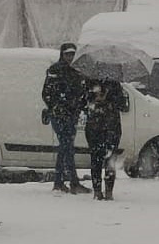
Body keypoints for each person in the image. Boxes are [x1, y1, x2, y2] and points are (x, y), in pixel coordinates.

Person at [42, 43, 91, 194]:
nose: (70, 57)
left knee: (66, 147)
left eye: (72, 54)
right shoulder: (55, 70)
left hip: (71, 115)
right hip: (60, 115)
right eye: (67, 54)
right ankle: (71, 182)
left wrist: (81, 104)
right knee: (66, 146)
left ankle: (60, 181)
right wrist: (57, 106)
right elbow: (47, 93)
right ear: (62, 54)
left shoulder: (77, 71)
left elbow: (80, 93)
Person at [84, 72, 128, 201]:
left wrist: (109, 101)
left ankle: (109, 190)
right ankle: (97, 191)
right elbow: (82, 102)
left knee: (110, 159)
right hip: (95, 127)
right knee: (96, 159)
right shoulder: (90, 83)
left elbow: (124, 105)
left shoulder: (115, 84)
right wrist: (94, 99)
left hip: (111, 127)